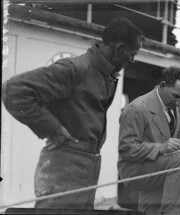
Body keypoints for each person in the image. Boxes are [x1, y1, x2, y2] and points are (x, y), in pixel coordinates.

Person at [2, 17, 144, 209]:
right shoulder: (74, 69)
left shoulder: (105, 74)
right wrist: (54, 130)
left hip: (88, 166)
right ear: (119, 48)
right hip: (63, 168)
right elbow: (13, 90)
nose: (133, 60)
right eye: (131, 54)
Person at [118, 67, 180, 215]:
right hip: (136, 169)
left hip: (162, 165)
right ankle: (172, 212)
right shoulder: (136, 108)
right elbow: (126, 150)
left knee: (150, 208)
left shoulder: (179, 106)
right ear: (163, 85)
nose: (179, 102)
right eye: (176, 96)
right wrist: (162, 147)